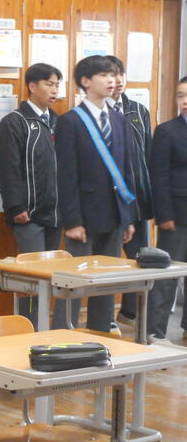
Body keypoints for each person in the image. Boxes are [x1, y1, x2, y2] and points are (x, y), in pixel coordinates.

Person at [55, 55, 136, 333]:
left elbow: (126, 170)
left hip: (114, 214)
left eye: (113, 75)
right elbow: (66, 176)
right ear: (85, 82)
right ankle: (63, 334)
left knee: (105, 281)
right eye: (104, 75)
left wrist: (128, 217)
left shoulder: (118, 119)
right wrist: (72, 221)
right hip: (83, 216)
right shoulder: (70, 121)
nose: (111, 80)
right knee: (73, 282)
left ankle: (101, 333)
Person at [0, 63, 68, 328]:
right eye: (49, 84)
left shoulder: (58, 121)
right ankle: (29, 327)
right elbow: (8, 169)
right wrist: (16, 207)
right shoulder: (14, 122)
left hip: (56, 214)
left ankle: (46, 328)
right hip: (29, 215)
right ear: (32, 86)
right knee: (32, 278)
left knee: (52, 276)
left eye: (57, 84)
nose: (54, 90)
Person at [105, 55, 153, 328]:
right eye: (112, 75)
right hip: (110, 203)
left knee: (140, 260)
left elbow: (148, 154)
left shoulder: (138, 110)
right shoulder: (95, 113)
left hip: (138, 201)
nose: (118, 80)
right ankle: (103, 318)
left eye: (121, 74)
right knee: (109, 261)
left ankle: (130, 313)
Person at [146, 76, 187, 342]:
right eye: (181, 95)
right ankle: (155, 330)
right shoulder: (167, 131)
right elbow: (158, 176)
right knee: (167, 276)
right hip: (176, 215)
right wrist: (164, 214)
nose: (185, 101)